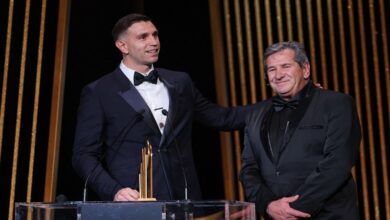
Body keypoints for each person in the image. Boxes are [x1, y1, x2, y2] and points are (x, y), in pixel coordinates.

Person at [72, 13, 250, 201]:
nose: (154, 42)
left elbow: (221, 118)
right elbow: (83, 155)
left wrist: (275, 103)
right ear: (122, 46)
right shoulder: (100, 91)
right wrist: (115, 191)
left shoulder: (180, 82)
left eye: (155, 35)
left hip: (185, 199)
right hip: (136, 202)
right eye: (143, 37)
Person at [239, 41, 361, 219]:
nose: (278, 75)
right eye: (272, 69)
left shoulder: (336, 104)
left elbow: (338, 162)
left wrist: (293, 209)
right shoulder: (255, 115)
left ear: (305, 69)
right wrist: (268, 205)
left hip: (327, 215)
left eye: (285, 66)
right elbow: (248, 169)